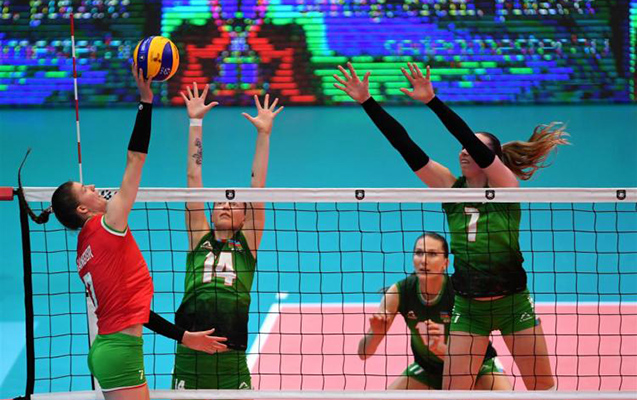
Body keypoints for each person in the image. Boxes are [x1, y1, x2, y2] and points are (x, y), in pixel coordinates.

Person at [335, 62, 569, 391]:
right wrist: (367, 102)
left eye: (473, 147)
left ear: (491, 158)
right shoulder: (450, 189)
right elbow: (406, 146)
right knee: (454, 394)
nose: (463, 151)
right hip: (469, 308)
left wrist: (432, 101)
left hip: (513, 303)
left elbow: (466, 137)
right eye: (462, 147)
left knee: (543, 390)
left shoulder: (506, 188)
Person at [49, 66, 228, 400]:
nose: (92, 186)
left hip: (111, 348)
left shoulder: (85, 246)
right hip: (119, 351)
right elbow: (135, 159)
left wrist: (183, 336)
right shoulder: (108, 224)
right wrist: (146, 101)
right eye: (84, 190)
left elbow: (135, 312)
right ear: (83, 210)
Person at [172, 83, 284, 390]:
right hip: (190, 355)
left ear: (245, 218)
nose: (224, 205)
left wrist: (264, 134)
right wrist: (195, 122)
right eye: (220, 202)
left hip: (231, 357)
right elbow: (193, 178)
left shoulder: (247, 244)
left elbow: (257, 187)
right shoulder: (199, 237)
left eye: (234, 204)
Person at [358, 232, 511, 390]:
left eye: (432, 254)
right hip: (428, 370)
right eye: (419, 253)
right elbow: (363, 353)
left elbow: (471, 357)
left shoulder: (460, 293)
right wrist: (375, 334)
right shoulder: (399, 292)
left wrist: (441, 349)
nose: (424, 260)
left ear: (446, 263)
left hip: (475, 367)